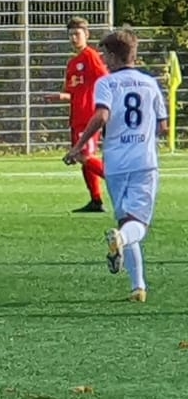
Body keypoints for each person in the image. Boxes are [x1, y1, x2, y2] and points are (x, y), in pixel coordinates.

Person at [64, 29, 166, 303]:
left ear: (112, 55)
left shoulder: (107, 83)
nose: (104, 59)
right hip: (144, 162)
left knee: (126, 222)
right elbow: (163, 125)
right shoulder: (149, 83)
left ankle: (138, 287)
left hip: (116, 163)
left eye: (105, 54)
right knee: (137, 225)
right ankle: (121, 242)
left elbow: (101, 115)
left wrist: (79, 145)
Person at [45, 17, 108, 212]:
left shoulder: (90, 56)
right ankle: (96, 200)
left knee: (83, 155)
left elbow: (106, 80)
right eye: (70, 34)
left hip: (88, 117)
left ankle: (118, 180)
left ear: (87, 35)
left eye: (77, 34)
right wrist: (60, 97)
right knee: (83, 159)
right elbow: (72, 93)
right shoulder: (72, 63)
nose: (73, 38)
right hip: (76, 117)